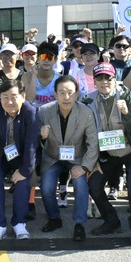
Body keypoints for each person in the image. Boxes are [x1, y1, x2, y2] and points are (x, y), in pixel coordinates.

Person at [84, 63, 131, 245]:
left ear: (115, 79)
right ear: (94, 81)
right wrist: (93, 159)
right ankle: (111, 221)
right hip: (108, 152)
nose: (104, 81)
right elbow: (86, 133)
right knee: (94, 184)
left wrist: (126, 113)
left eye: (108, 77)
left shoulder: (127, 95)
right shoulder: (88, 100)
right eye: (100, 78)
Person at [38, 75, 98, 241]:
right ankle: (54, 218)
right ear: (55, 95)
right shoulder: (44, 111)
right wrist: (42, 137)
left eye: (70, 92)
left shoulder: (86, 113)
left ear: (77, 94)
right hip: (53, 156)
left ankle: (79, 223)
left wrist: (84, 167)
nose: (66, 97)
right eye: (62, 92)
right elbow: (36, 143)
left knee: (80, 184)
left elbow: (93, 144)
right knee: (46, 187)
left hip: (77, 157)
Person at [0, 79, 40, 240]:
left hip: (22, 157)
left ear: (23, 96)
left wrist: (24, 170)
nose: (9, 102)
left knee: (23, 183)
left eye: (14, 97)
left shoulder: (31, 112)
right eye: (5, 97)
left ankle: (19, 223)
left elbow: (31, 145)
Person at [22, 41, 59, 109]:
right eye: (43, 57)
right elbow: (29, 101)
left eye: (50, 57)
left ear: (55, 60)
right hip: (33, 113)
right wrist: (33, 76)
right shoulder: (27, 77)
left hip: (52, 114)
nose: (46, 60)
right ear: (38, 58)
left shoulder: (59, 79)